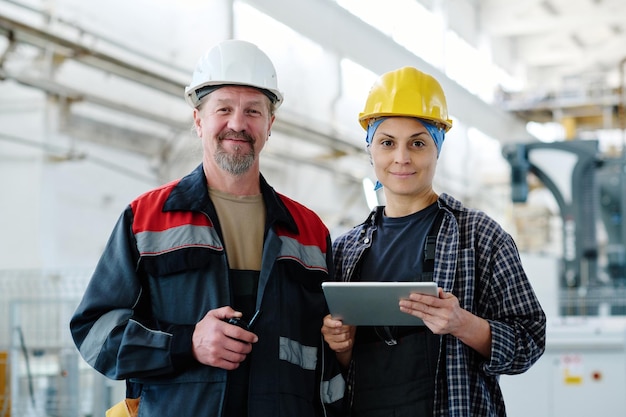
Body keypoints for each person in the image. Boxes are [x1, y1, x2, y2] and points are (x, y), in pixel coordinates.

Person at [70, 39, 345, 417]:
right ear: (199, 121)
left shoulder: (309, 231)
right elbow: (95, 331)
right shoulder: (147, 218)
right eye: (224, 109)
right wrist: (187, 343)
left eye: (253, 110)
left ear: (270, 124)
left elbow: (326, 358)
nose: (238, 123)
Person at [321, 66, 546, 417]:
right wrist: (341, 347)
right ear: (371, 151)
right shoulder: (345, 250)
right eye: (387, 143)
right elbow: (338, 370)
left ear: (437, 148)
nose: (402, 157)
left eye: (417, 143)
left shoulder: (480, 238)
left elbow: (530, 342)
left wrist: (463, 323)